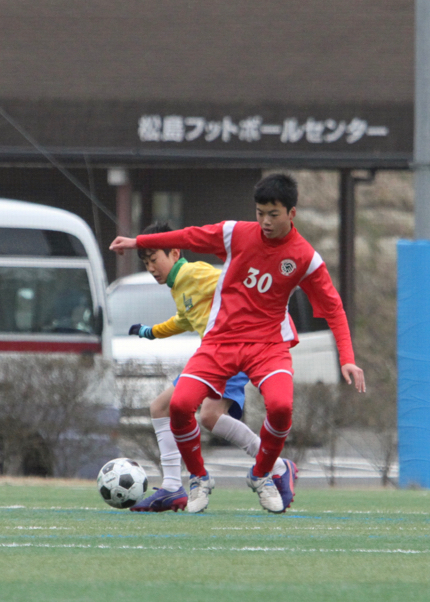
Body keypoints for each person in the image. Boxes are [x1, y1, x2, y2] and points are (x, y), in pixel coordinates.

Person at [111, 173, 365, 513]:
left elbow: (333, 305)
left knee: (281, 407)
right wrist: (138, 242)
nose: (264, 221)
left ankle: (262, 474)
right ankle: (198, 479)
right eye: (260, 212)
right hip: (221, 342)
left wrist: (347, 357)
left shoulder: (304, 257)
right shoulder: (238, 233)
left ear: (291, 213)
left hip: (266, 345)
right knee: (179, 406)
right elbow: (190, 235)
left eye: (273, 214)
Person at [126, 222, 297, 514]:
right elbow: (183, 319)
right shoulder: (178, 285)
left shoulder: (193, 273)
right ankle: (171, 487)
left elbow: (231, 281)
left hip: (233, 351)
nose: (151, 267)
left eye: (154, 260)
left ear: (175, 252)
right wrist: (150, 332)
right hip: (212, 358)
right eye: (145, 263)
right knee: (163, 408)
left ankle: (277, 466)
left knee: (206, 415)